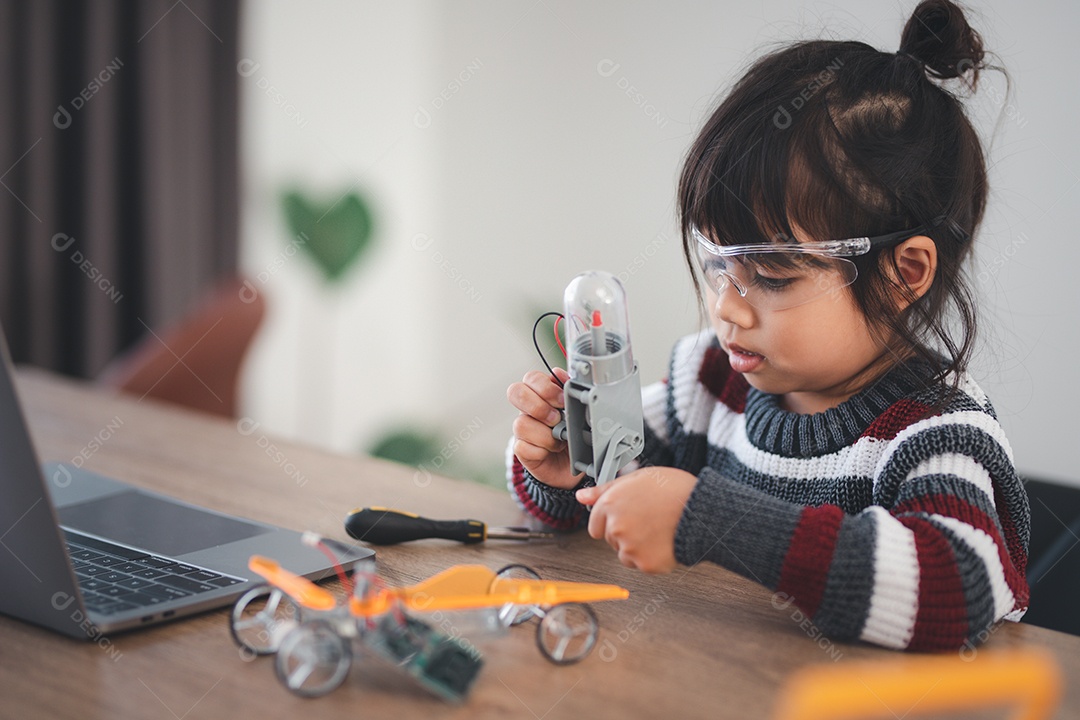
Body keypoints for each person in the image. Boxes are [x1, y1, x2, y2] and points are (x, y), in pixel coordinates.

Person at [505, 0, 1029, 652]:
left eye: (773, 276)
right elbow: (621, 496)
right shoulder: (708, 380)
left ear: (904, 273)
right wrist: (568, 473)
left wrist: (707, 519)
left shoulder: (937, 432)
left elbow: (955, 591)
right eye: (717, 265)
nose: (727, 305)